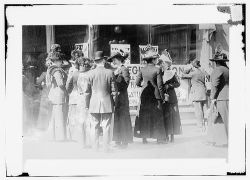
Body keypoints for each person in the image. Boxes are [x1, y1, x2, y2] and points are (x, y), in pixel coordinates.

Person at [84, 51, 117, 152]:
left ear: (95, 61)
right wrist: (114, 103)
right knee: (106, 126)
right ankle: (105, 148)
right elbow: (114, 91)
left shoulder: (89, 73)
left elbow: (87, 92)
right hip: (107, 102)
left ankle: (95, 148)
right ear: (103, 60)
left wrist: (87, 104)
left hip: (93, 103)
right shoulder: (110, 72)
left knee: (94, 126)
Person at [134, 47, 166, 144]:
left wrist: (143, 85)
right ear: (153, 59)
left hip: (144, 96)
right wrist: (162, 97)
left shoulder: (142, 69)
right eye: (156, 58)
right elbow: (160, 85)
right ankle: (159, 138)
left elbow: (137, 82)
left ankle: (144, 138)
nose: (157, 60)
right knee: (157, 116)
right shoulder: (157, 69)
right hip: (155, 96)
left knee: (144, 115)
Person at [107, 51, 133, 149]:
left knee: (123, 119)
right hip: (117, 97)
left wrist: (117, 78)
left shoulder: (124, 69)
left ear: (118, 59)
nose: (113, 61)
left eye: (114, 59)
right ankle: (118, 140)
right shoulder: (116, 69)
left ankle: (124, 142)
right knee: (117, 119)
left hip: (122, 97)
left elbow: (126, 83)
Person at [159, 50, 182, 142]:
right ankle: (166, 135)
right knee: (165, 117)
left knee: (172, 117)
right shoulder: (160, 73)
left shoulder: (172, 73)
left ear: (167, 64)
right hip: (163, 97)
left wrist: (170, 85)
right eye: (161, 64)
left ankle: (172, 135)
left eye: (164, 63)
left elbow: (178, 84)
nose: (162, 65)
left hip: (171, 97)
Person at [46, 51, 68, 141]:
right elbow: (60, 83)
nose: (61, 62)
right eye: (60, 61)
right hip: (59, 95)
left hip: (53, 94)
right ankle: (60, 137)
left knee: (54, 117)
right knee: (59, 117)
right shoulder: (57, 70)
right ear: (57, 61)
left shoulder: (49, 69)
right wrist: (67, 86)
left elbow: (48, 85)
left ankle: (53, 136)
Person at [208, 51, 229, 146]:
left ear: (216, 61)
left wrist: (212, 98)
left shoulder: (217, 70)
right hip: (228, 97)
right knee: (227, 120)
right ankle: (223, 140)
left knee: (216, 119)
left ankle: (216, 140)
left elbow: (214, 85)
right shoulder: (227, 69)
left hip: (221, 98)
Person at [181, 59, 208, 130]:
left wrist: (188, 68)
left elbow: (182, 75)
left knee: (198, 110)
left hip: (197, 94)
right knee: (204, 110)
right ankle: (205, 124)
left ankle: (200, 125)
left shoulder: (193, 73)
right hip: (203, 92)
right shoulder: (202, 71)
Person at [77, 57, 92, 148]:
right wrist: (87, 104)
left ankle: (82, 143)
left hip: (80, 99)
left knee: (81, 121)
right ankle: (87, 143)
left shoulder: (79, 74)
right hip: (85, 100)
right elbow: (86, 91)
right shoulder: (86, 75)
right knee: (86, 122)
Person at [35, 60, 53, 131]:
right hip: (51, 92)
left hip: (45, 93)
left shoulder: (44, 74)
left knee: (43, 110)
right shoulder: (54, 73)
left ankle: (43, 126)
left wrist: (41, 88)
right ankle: (49, 126)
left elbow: (38, 82)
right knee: (49, 110)